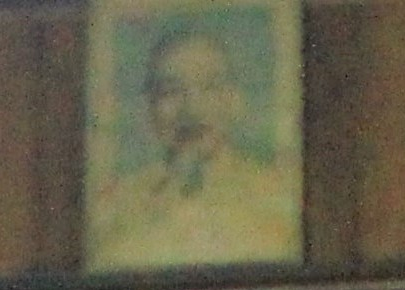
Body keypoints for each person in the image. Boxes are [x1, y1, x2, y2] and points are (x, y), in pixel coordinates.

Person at [94, 17, 297, 271]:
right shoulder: (117, 205)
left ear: (235, 100)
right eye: (171, 91)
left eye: (210, 88)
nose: (192, 109)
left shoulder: (276, 196)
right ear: (148, 107)